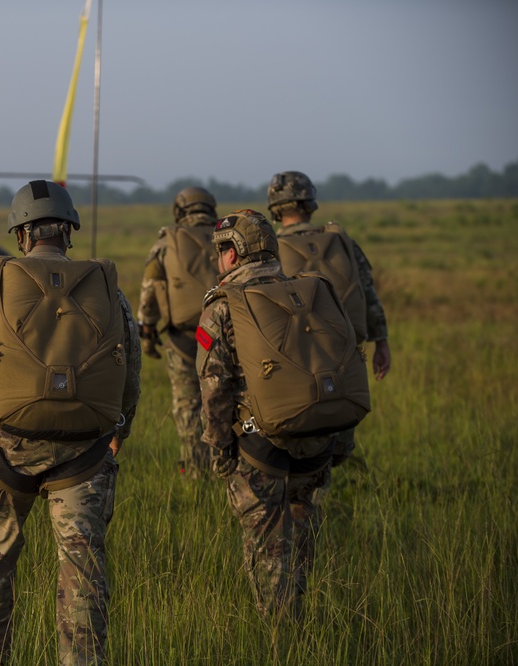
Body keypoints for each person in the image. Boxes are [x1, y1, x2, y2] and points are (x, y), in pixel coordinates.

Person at [0, 180, 141, 664]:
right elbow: (130, 372)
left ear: (21, 235)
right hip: (85, 455)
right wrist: (119, 432)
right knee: (83, 575)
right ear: (68, 231)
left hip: (5, 454)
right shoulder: (107, 288)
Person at [196, 209, 369, 621]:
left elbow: (213, 390)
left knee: (269, 554)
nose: (220, 260)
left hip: (258, 451)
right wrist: (341, 442)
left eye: (222, 251)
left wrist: (220, 456)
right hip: (317, 443)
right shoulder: (313, 295)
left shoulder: (222, 308)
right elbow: (347, 363)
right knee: (302, 541)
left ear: (233, 255)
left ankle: (281, 641)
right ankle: (303, 620)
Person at [267, 170, 391, 467]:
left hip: (298, 364)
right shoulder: (341, 241)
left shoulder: (270, 250)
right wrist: (382, 343)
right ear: (311, 203)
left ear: (275, 208)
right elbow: (368, 294)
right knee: (337, 444)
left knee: (299, 449)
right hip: (345, 356)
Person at [137, 186, 220, 477]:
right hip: (224, 337)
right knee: (224, 400)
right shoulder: (227, 238)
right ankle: (223, 465)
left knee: (187, 404)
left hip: (185, 337)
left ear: (180, 211)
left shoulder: (166, 242)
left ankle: (194, 470)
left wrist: (146, 331)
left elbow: (149, 290)